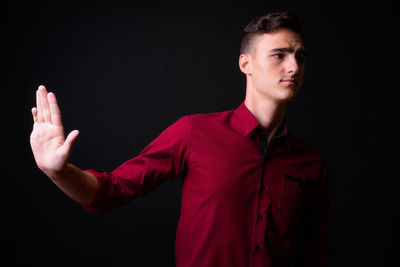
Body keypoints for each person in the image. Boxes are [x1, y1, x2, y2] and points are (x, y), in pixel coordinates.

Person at [30, 11, 329, 267]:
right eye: (279, 55)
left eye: (299, 57)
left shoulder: (310, 163)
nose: (293, 67)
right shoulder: (194, 132)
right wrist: (59, 172)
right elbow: (113, 190)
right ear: (245, 64)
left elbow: (314, 254)